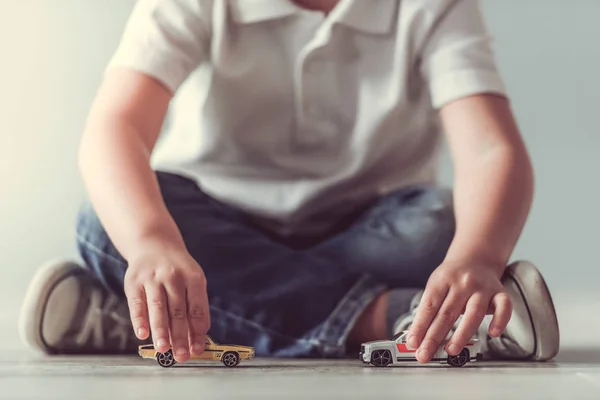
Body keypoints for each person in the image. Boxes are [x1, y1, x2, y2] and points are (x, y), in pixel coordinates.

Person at [19, 0, 559, 365]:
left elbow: (490, 148)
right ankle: (396, 317)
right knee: (108, 223)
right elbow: (115, 128)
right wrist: (152, 244)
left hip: (365, 232)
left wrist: (479, 257)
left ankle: (145, 323)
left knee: (438, 225)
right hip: (216, 232)